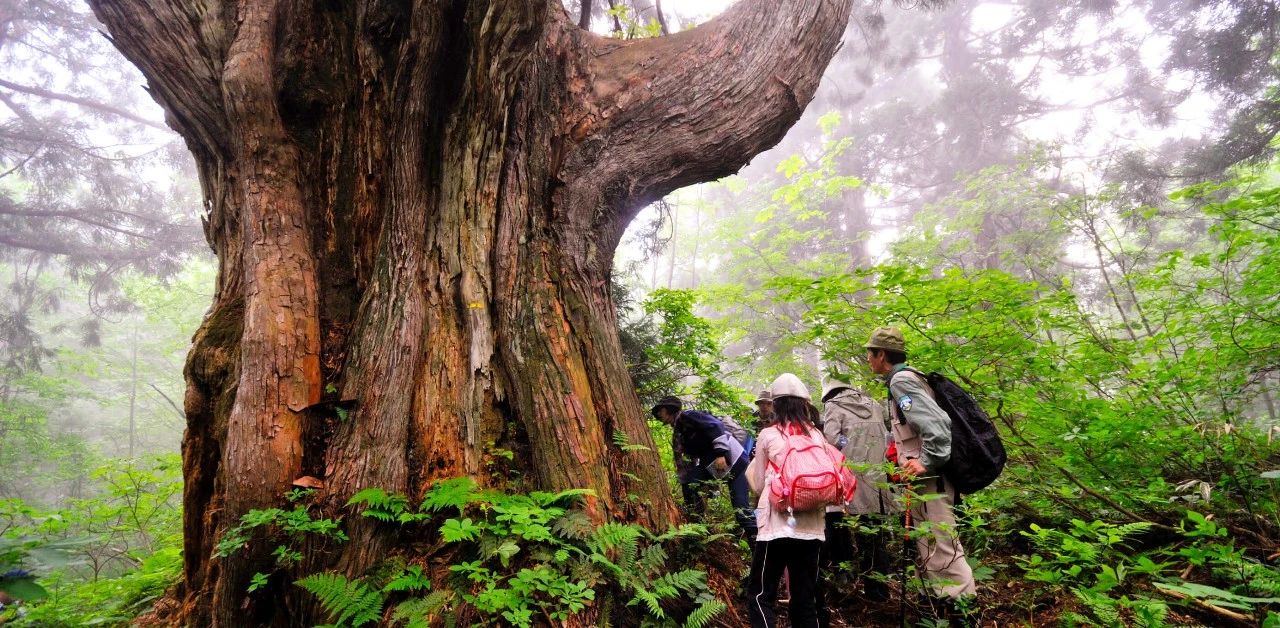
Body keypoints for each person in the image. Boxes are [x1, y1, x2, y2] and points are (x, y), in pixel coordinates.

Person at [865, 327, 977, 619]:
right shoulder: (902, 381)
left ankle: (961, 613)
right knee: (928, 544)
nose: (867, 359)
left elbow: (938, 424)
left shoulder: (902, 381)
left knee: (943, 542)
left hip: (932, 480)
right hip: (922, 482)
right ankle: (936, 609)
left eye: (870, 353)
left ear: (882, 355)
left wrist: (927, 461)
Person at [745, 373, 827, 628]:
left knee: (761, 595)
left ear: (776, 405)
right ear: (805, 404)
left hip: (777, 528)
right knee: (804, 600)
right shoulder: (817, 436)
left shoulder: (768, 435)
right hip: (812, 530)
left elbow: (759, 485)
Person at [818, 377, 897, 604]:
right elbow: (887, 435)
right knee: (875, 536)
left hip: (853, 480)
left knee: (855, 534)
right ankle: (880, 593)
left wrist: (847, 442)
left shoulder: (834, 407)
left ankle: (863, 591)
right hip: (879, 479)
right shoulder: (873, 404)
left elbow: (832, 440)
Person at [651, 396, 757, 540]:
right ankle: (698, 525)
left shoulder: (688, 416)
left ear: (668, 409)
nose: (658, 414)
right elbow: (687, 460)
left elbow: (716, 425)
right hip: (715, 466)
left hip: (735, 463)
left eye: (660, 410)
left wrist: (721, 453)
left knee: (742, 512)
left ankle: (759, 547)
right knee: (688, 483)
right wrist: (684, 478)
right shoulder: (679, 431)